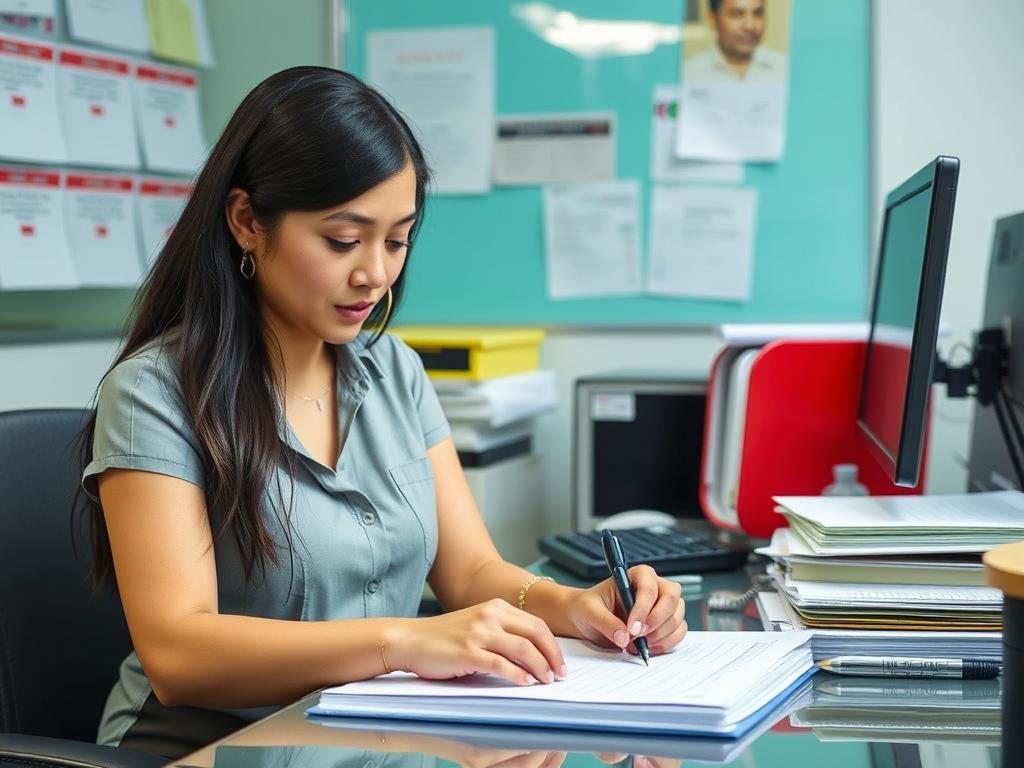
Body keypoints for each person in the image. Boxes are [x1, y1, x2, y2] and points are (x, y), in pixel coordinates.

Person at [74, 66, 688, 760]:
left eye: (396, 240)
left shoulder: (395, 372)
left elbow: (472, 574)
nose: (375, 273)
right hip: (211, 747)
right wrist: (404, 641)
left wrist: (573, 605)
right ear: (248, 221)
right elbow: (180, 654)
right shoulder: (155, 393)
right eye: (343, 240)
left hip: (362, 740)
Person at [684, 0, 788, 83]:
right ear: (713, 19)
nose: (749, 25)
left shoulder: (786, 70)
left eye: (757, 13)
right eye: (737, 14)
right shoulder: (688, 73)